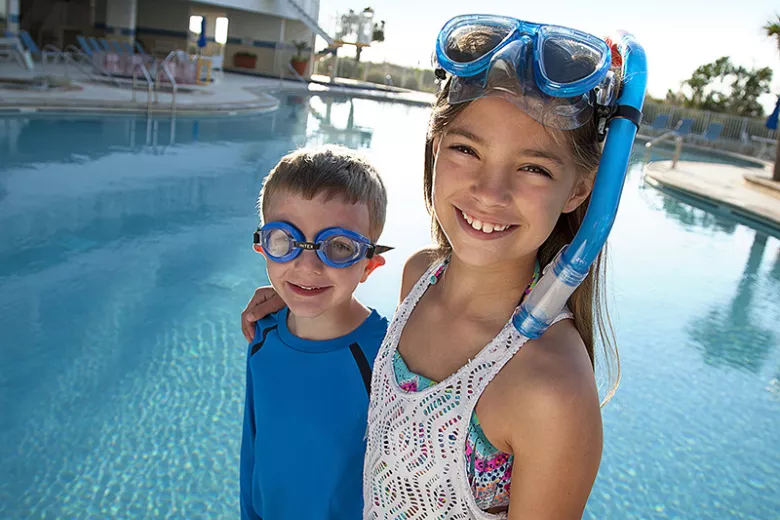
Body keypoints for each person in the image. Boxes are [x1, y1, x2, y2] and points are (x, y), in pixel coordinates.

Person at [242, 14, 634, 519]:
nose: (490, 191)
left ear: (580, 189)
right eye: (466, 149)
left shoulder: (550, 387)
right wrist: (300, 294)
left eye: (533, 167)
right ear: (434, 152)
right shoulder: (420, 277)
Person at [240, 145, 393, 520]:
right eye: (285, 240)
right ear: (264, 247)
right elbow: (253, 452)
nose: (306, 266)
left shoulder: (389, 357)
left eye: (338, 247)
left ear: (369, 265)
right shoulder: (263, 336)